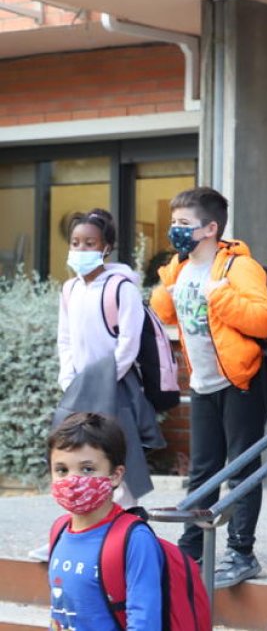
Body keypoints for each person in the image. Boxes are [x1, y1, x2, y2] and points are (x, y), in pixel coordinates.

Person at [149, 187, 267, 588]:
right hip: (203, 383)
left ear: (210, 228)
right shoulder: (179, 266)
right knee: (203, 470)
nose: (176, 231)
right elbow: (165, 313)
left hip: (242, 381)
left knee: (241, 467)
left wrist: (219, 300)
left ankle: (241, 552)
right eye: (174, 223)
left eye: (184, 224)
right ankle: (191, 552)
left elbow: (263, 321)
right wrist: (166, 284)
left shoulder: (239, 267)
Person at [55, 209, 155, 507]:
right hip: (79, 386)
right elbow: (66, 338)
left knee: (118, 456)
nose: (81, 249)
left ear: (106, 247)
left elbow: (128, 343)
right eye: (76, 243)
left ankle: (128, 523)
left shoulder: (122, 287)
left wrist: (106, 380)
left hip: (116, 387)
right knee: (80, 456)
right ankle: (84, 522)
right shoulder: (70, 289)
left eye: (90, 243)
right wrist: (68, 378)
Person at [46, 413, 163, 630]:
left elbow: (144, 621)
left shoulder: (135, 539)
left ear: (115, 475)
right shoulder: (59, 530)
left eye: (87, 469)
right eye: (61, 470)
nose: (72, 481)